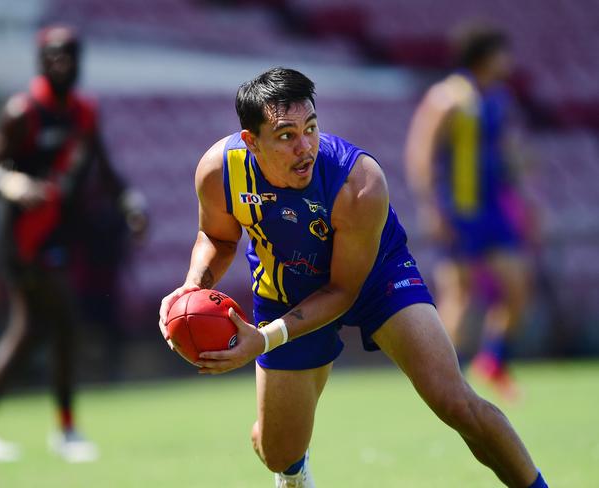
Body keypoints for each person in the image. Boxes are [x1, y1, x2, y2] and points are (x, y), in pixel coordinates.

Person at [158, 67, 547, 487]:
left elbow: (344, 290)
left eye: (311, 128)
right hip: (286, 287)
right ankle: (292, 458)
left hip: (376, 276)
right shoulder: (220, 171)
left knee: (453, 401)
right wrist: (193, 287)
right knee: (278, 453)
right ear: (251, 142)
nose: (305, 146)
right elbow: (216, 236)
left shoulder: (359, 182)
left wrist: (265, 338)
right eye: (286, 136)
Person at [0, 24, 147, 463]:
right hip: (24, 237)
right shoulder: (24, 111)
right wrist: (12, 182)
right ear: (42, 61)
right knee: (62, 322)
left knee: (31, 329)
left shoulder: (84, 112)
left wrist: (129, 202)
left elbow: (105, 168)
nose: (62, 64)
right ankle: (66, 431)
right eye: (54, 57)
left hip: (59, 233)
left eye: (69, 56)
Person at [404, 25, 534, 400]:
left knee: (518, 288)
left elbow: (507, 152)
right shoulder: (447, 99)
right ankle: (439, 377)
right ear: (483, 55)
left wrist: (525, 197)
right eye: (501, 53)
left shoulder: (497, 98)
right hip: (459, 211)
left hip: (493, 210)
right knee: (458, 294)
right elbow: (422, 154)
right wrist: (432, 208)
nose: (507, 62)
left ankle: (492, 361)